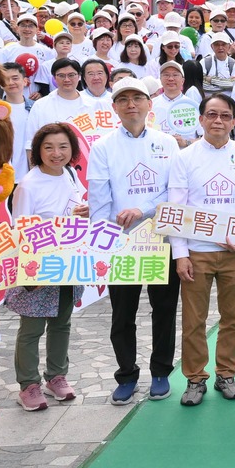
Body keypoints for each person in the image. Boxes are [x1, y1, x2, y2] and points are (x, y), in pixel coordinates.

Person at [88, 76, 181, 403]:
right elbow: (98, 199)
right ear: (114, 107)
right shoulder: (102, 147)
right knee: (122, 314)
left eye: (137, 98)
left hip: (161, 239)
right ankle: (126, 374)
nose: (131, 105)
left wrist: (141, 210)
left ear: (149, 104)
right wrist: (101, 243)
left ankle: (160, 371)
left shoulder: (167, 143)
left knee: (164, 309)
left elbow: (175, 191)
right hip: (121, 244)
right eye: (124, 99)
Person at [168, 91, 235, 405]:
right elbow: (176, 207)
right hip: (197, 253)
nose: (218, 121)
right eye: (213, 115)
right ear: (201, 119)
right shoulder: (185, 156)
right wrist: (180, 254)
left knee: (233, 318)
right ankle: (194, 378)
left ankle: (226, 374)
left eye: (225, 116)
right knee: (194, 320)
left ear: (233, 121)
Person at [7, 123, 88, 410]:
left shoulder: (69, 174)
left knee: (61, 323)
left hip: (69, 260)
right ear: (38, 150)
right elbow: (19, 228)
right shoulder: (28, 185)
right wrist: (28, 270)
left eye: (63, 146)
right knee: (31, 328)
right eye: (49, 147)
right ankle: (28, 384)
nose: (57, 153)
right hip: (39, 265)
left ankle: (56, 376)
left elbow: (78, 207)